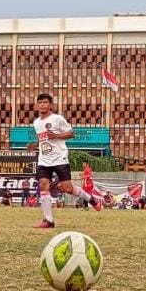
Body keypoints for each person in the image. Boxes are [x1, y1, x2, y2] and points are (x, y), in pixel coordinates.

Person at [27, 93, 101, 228]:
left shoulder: (57, 119)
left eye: (45, 102)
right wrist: (34, 145)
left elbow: (71, 133)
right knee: (43, 184)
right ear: (37, 105)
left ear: (50, 105)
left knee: (67, 188)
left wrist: (57, 135)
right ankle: (48, 220)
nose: (42, 105)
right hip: (44, 159)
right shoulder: (36, 123)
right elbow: (43, 139)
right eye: (40, 102)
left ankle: (90, 199)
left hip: (59, 157)